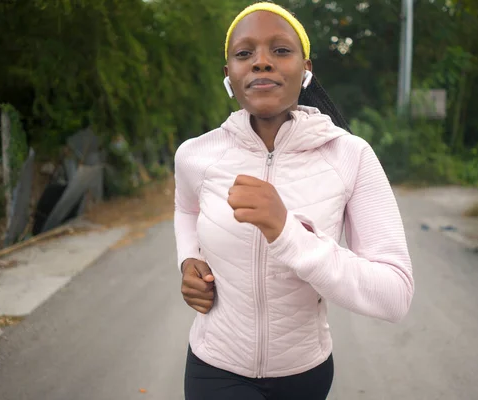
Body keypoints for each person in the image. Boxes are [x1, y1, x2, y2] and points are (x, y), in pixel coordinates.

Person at [174, 2, 414, 399]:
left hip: (306, 373)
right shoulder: (196, 155)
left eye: (280, 50)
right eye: (244, 53)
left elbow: (395, 295)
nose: (261, 62)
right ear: (229, 75)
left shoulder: (349, 156)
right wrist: (188, 260)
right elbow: (185, 209)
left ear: (306, 70)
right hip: (214, 366)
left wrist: (288, 233)